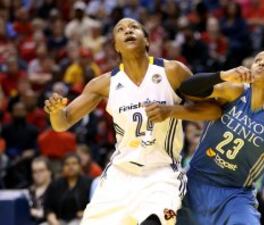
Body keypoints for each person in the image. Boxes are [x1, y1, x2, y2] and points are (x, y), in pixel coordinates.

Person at [44, 17, 221, 225]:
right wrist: (56, 112)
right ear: (116, 46)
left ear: (147, 41)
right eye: (120, 29)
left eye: (134, 27)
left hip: (161, 173)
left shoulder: (172, 71)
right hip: (120, 175)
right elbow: (62, 123)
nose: (127, 30)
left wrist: (172, 111)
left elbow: (213, 110)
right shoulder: (103, 84)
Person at [176, 50, 264, 225]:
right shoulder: (235, 90)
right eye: (258, 60)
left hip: (235, 194)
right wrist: (221, 75)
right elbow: (186, 88)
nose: (261, 63)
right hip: (195, 181)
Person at [44, 153, 92, 225]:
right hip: (58, 220)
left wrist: (85, 212)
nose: (70, 166)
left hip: (82, 219)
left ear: (80, 166)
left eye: (74, 163)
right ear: (62, 167)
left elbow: (96, 204)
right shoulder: (55, 184)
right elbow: (48, 207)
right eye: (67, 164)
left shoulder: (89, 183)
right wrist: (53, 220)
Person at [29, 156, 52, 224]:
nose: (37, 174)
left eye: (41, 170)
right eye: (34, 171)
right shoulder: (28, 192)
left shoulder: (57, 189)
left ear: (49, 171)